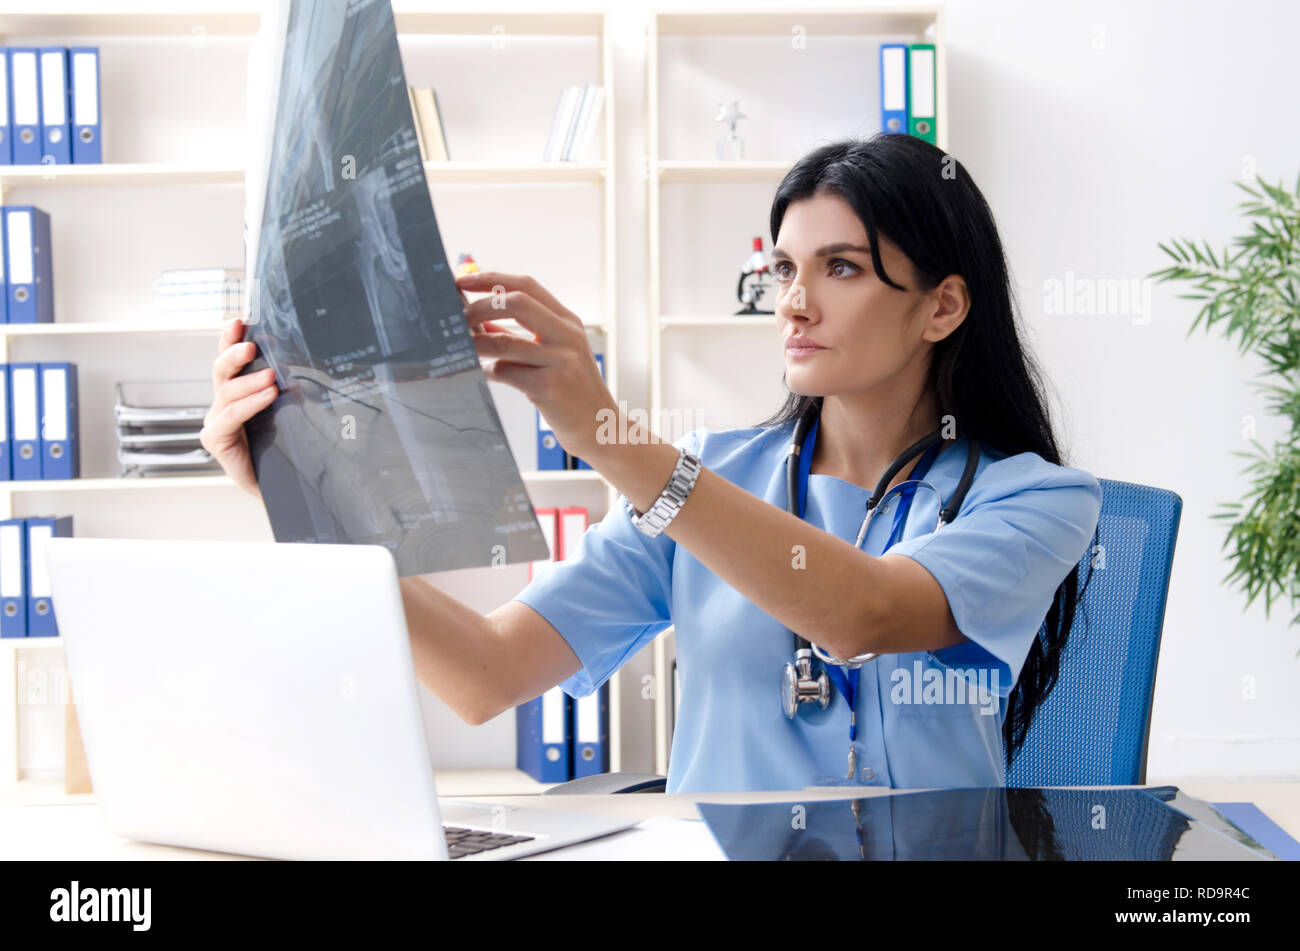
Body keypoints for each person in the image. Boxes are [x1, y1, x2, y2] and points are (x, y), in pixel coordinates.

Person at [200, 133, 1102, 794]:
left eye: (840, 268)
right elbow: (484, 674)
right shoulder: (710, 481)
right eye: (783, 268)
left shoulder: (1037, 500)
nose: (793, 302)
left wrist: (605, 434)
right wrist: (302, 498)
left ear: (943, 307)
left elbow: (860, 611)